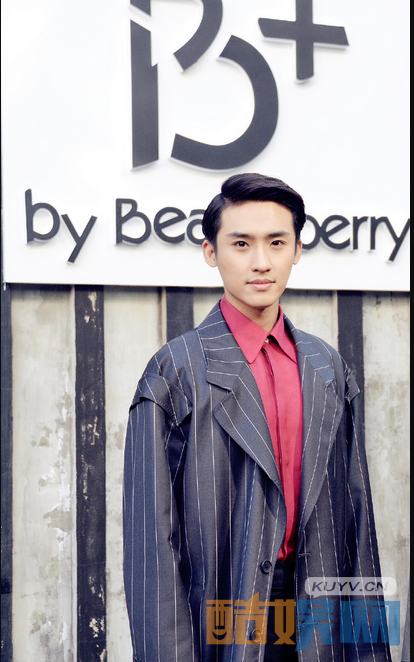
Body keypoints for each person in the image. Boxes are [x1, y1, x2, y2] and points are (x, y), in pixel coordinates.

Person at [123, 173, 390, 661]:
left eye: (277, 242)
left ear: (298, 250)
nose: (261, 261)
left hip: (318, 615)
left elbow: (356, 521)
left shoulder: (327, 367)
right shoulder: (175, 371)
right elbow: (151, 545)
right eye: (241, 243)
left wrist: (368, 651)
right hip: (223, 610)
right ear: (211, 252)